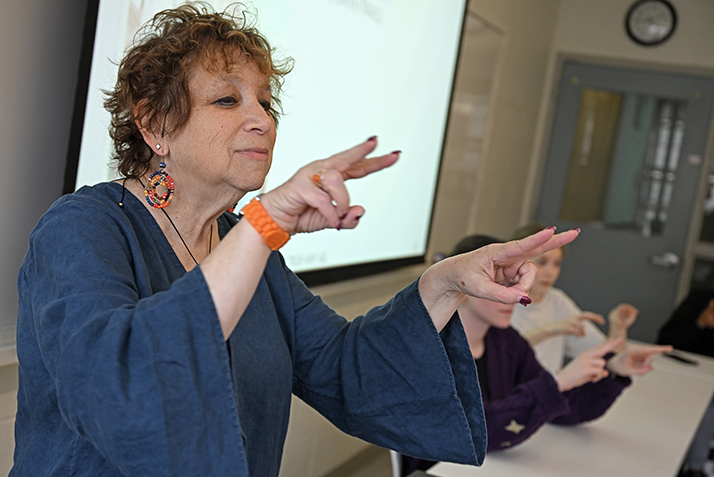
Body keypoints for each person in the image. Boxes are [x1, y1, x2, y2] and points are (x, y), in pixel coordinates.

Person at [10, 5, 581, 476]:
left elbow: (345, 367)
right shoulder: (82, 228)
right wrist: (265, 224)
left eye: (265, 102)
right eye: (228, 100)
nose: (261, 119)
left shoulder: (242, 243)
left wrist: (444, 282)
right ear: (155, 125)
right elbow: (117, 384)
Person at [401, 235, 671, 476]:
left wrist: (613, 370)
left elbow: (563, 409)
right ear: (463, 288)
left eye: (516, 284)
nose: (517, 295)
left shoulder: (506, 342)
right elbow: (480, 432)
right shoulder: (434, 349)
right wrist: (558, 383)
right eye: (500, 285)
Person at [509, 223, 638, 373]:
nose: (551, 272)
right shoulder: (500, 304)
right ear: (518, 261)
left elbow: (609, 357)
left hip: (547, 392)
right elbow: (501, 357)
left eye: (557, 263)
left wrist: (618, 327)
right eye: (542, 262)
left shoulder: (557, 300)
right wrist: (549, 330)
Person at [657, 289, 714, 477]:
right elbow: (666, 341)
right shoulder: (700, 299)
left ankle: (696, 466)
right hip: (686, 375)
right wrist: (700, 324)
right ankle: (694, 468)